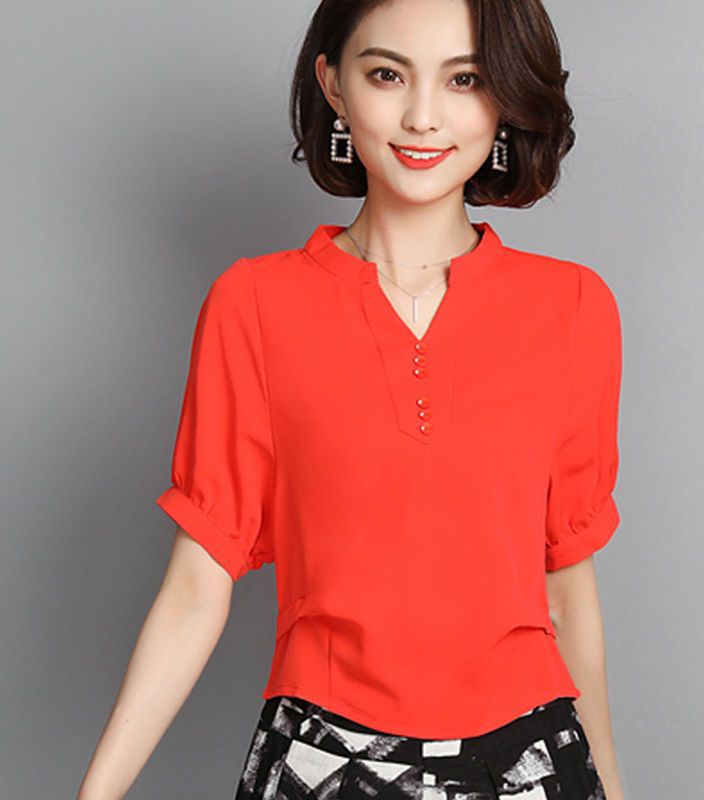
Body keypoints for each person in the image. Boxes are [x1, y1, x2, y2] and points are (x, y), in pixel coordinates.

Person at [77, 1, 626, 798]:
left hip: (529, 760)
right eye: (387, 75)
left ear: (506, 96)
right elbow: (197, 586)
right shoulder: (254, 305)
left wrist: (611, 785)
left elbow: (568, 593)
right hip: (322, 760)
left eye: (465, 79)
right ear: (333, 85)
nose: (423, 116)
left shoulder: (573, 308)